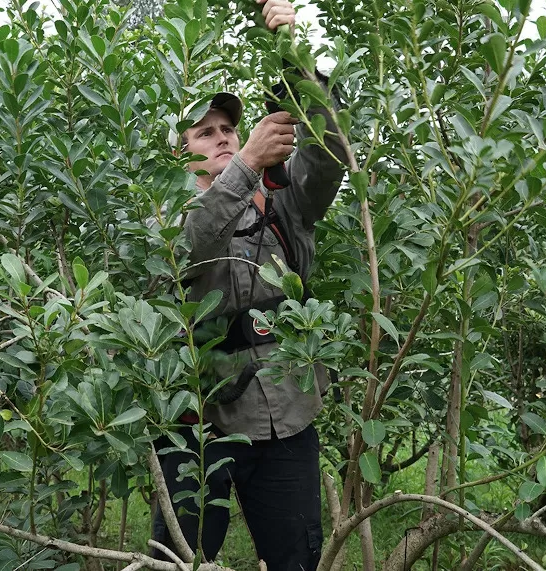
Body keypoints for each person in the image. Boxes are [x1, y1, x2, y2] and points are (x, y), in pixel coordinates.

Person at [151, 1, 347, 569]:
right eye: (204, 133)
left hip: (284, 414)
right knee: (179, 560)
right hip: (194, 423)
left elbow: (333, 153)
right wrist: (244, 167)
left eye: (230, 129)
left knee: (295, 560)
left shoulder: (285, 202)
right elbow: (187, 251)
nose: (222, 139)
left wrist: (297, 58)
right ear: (178, 152)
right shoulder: (162, 218)